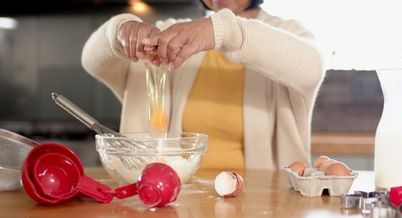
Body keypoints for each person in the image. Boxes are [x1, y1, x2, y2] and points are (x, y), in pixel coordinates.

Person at [81, 0, 325, 171]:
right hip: (175, 202)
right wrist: (120, 29)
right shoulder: (173, 34)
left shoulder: (286, 33)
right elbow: (92, 60)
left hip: (266, 206)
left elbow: (311, 66)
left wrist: (225, 30)